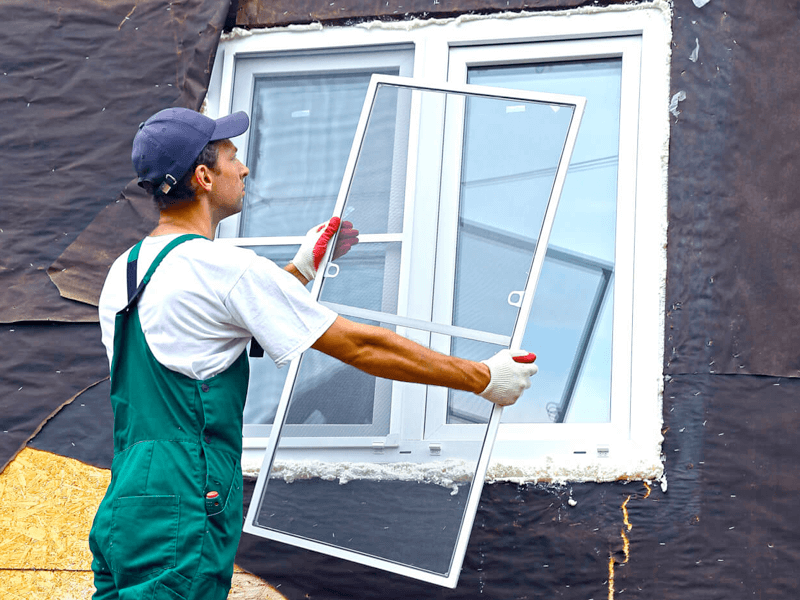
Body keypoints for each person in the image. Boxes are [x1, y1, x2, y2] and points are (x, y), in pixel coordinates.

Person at [88, 107, 539, 600]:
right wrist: (482, 377)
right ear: (203, 177)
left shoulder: (125, 272)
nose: (243, 169)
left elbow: (208, 326)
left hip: (127, 500)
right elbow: (360, 345)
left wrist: (302, 267)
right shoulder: (225, 267)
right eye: (233, 159)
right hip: (185, 497)